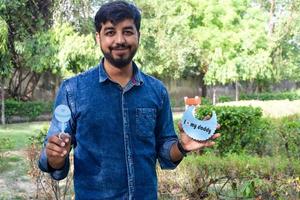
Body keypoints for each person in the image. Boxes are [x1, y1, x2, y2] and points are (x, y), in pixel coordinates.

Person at [38, 1, 220, 199]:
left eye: (127, 31)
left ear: (138, 36)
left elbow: (166, 153)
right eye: (110, 32)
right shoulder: (73, 90)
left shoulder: (156, 91)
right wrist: (55, 157)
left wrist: (182, 146)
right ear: (98, 37)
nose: (119, 40)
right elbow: (52, 156)